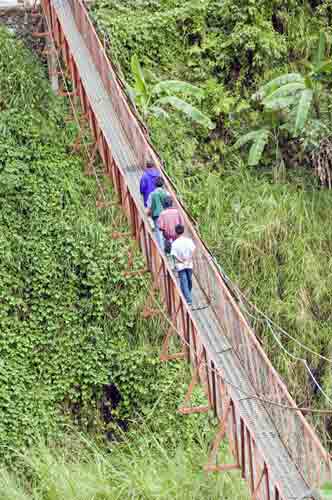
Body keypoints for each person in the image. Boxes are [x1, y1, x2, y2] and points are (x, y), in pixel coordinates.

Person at [171, 224, 196, 305]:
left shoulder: (174, 243)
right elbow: (193, 250)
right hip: (189, 264)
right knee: (188, 281)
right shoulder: (189, 240)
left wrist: (181, 260)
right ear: (183, 231)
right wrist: (188, 259)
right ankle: (189, 299)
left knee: (184, 282)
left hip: (180, 265)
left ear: (175, 232)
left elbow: (174, 255)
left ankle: (185, 295)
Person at [147, 177, 168, 249]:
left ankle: (162, 250)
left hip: (156, 215)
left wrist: (149, 214)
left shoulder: (152, 194)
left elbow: (149, 206)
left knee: (159, 232)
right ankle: (168, 249)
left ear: (155, 185)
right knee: (166, 231)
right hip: (166, 215)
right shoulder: (166, 193)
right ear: (163, 184)